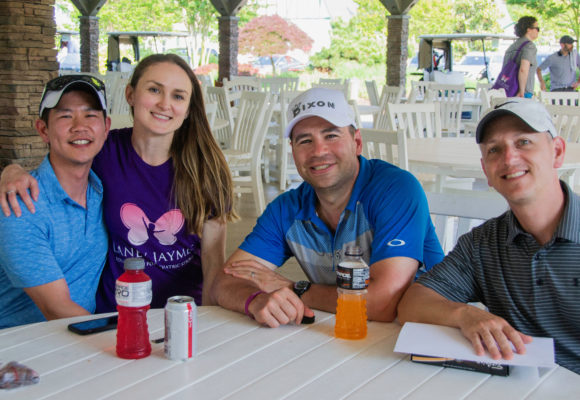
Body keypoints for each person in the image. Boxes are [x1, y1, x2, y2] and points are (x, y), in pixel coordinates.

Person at [0, 54, 237, 311]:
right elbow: (61, 160)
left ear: (189, 108)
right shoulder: (103, 151)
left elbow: (214, 266)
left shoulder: (206, 169)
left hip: (179, 311)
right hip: (113, 315)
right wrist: (10, 171)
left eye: (178, 96)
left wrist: (208, 321)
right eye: (154, 89)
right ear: (130, 94)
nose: (164, 104)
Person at [210, 88, 444, 328]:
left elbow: (383, 303)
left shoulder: (395, 189)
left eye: (331, 136)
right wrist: (255, 299)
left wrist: (294, 288)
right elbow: (224, 282)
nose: (318, 151)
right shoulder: (286, 209)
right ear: (293, 151)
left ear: (357, 142)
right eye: (305, 141)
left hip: (424, 336)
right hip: (342, 334)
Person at [397, 98, 579, 374]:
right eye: (494, 149)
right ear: (486, 171)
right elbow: (412, 304)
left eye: (523, 142)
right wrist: (465, 314)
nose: (508, 158)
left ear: (557, 152)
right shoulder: (483, 244)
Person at [0, 75, 110, 328]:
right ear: (43, 130)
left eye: (90, 115)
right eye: (65, 116)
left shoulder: (103, 188)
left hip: (79, 344)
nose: (79, 126)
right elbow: (56, 308)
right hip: (21, 350)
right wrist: (125, 337)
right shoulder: (21, 205)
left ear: (106, 128)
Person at [501, 16, 540, 98]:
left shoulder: (512, 46)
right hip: (522, 92)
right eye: (537, 28)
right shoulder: (529, 46)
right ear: (528, 29)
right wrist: (522, 91)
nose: (538, 31)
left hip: (507, 89)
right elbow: (523, 69)